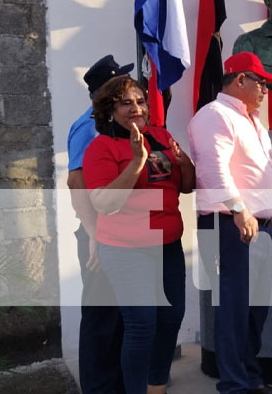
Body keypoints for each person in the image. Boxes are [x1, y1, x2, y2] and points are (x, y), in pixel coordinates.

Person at [188, 51, 272, 394]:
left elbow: (270, 173)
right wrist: (238, 209)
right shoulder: (214, 115)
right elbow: (212, 169)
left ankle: (250, 378)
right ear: (240, 79)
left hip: (257, 227)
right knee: (233, 308)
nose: (265, 90)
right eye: (261, 82)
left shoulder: (253, 121)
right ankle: (233, 384)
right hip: (228, 224)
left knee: (255, 309)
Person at [83, 76, 194, 394]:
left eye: (140, 101)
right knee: (142, 324)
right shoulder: (101, 148)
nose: (136, 108)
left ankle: (156, 386)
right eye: (126, 102)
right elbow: (105, 203)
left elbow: (186, 185)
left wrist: (183, 161)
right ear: (109, 110)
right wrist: (136, 163)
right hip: (125, 249)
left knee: (171, 318)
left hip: (168, 245)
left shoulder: (160, 135)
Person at [66, 54, 130, 394]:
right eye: (120, 83)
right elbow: (77, 183)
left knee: (122, 318)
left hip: (123, 233)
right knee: (101, 318)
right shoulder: (86, 125)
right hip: (99, 231)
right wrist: (94, 234)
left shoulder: (114, 125)